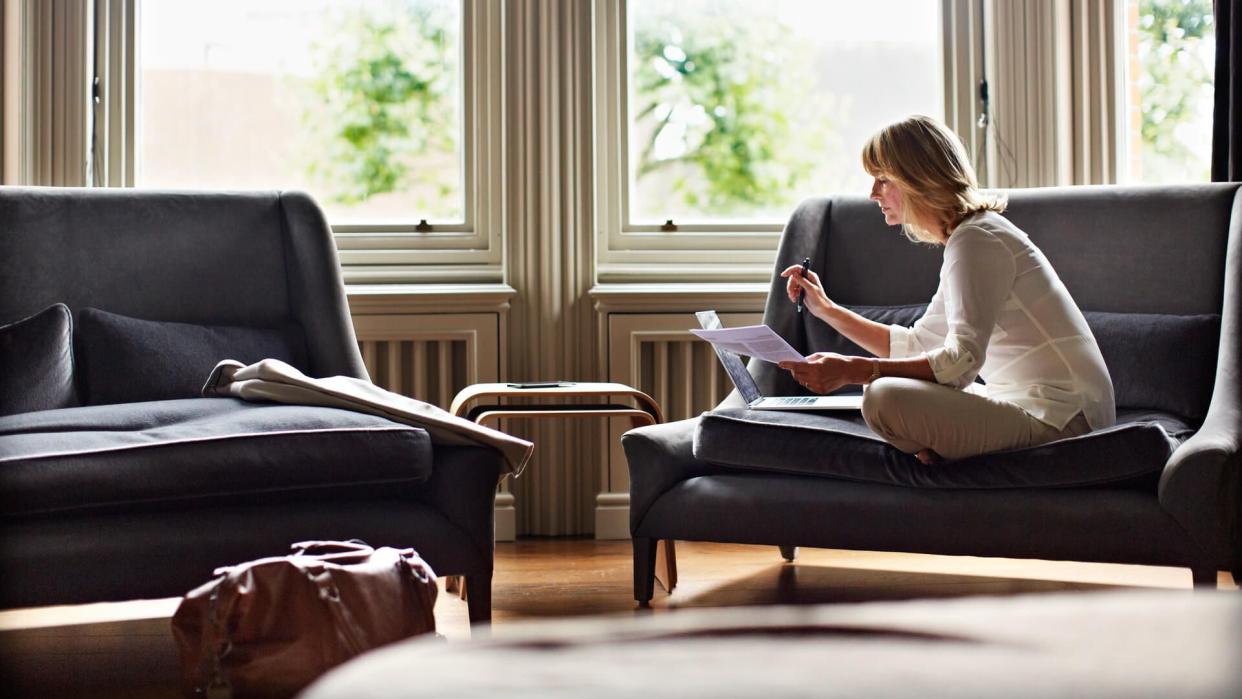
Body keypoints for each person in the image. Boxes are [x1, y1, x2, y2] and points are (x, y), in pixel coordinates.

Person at [778, 115, 1115, 464]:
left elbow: (959, 365)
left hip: (1064, 419)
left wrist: (853, 369)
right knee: (884, 389)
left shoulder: (977, 240)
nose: (873, 194)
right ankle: (951, 451)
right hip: (1033, 405)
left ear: (917, 178)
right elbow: (916, 345)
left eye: (882, 180)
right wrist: (826, 309)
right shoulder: (968, 237)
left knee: (882, 397)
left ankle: (949, 452)